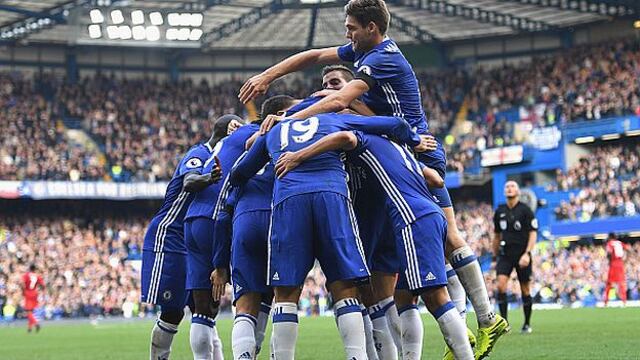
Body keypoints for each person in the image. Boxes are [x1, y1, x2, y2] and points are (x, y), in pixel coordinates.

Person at [240, 1, 507, 356]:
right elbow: (315, 55)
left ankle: (484, 318)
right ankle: (450, 331)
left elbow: (341, 106)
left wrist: (292, 117)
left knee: (445, 237)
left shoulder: (381, 59)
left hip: (414, 152)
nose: (346, 34)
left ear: (371, 28)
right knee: (389, 286)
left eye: (352, 27)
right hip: (386, 164)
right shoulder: (361, 64)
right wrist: (268, 76)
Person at [230, 112, 427, 360]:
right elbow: (397, 123)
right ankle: (356, 357)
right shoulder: (333, 118)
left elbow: (239, 173)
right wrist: (414, 139)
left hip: (289, 200)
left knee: (286, 293)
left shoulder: (274, 130)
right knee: (345, 287)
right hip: (332, 196)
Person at [274, 130, 474, 360]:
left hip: (409, 217)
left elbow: (346, 135)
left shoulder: (368, 144)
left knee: (433, 297)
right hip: (413, 217)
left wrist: (298, 153)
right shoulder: (398, 150)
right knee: (401, 298)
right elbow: (437, 180)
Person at [210, 95, 298, 360]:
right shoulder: (290, 143)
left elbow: (223, 211)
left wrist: (219, 263)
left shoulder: (239, 151)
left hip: (245, 220)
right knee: (284, 299)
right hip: (280, 218)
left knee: (246, 307)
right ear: (281, 114)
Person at [141, 115, 232, 360]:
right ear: (229, 132)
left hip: (194, 237)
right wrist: (208, 178)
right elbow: (190, 181)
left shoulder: (225, 161)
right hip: (171, 234)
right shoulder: (201, 154)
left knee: (204, 310)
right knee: (173, 311)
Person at [184, 114, 256, 360]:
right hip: (215, 219)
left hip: (193, 221)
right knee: (249, 296)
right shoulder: (242, 137)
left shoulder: (214, 150)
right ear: (233, 126)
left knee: (202, 310)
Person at [493, 180, 538, 334]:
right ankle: (504, 324)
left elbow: (533, 233)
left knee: (525, 289)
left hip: (522, 255)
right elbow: (496, 235)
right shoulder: (499, 211)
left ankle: (527, 323)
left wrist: (527, 253)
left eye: (512, 186)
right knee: (500, 286)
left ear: (518, 191)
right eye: (507, 186)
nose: (509, 188)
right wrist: (494, 255)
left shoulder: (526, 210)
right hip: (505, 254)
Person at [604, 233, 629, 306]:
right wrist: (625, 259)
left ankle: (606, 302)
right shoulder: (620, 243)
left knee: (609, 283)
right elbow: (628, 249)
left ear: (610, 237)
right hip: (620, 264)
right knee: (621, 283)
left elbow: (609, 252)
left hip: (613, 264)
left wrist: (609, 261)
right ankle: (624, 302)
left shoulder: (610, 243)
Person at [22, 264, 44, 333]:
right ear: (35, 269)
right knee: (31, 311)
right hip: (35, 293)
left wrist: (23, 291)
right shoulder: (37, 276)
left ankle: (36, 323)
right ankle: (29, 328)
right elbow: (43, 285)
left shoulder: (26, 275)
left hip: (28, 292)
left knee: (28, 311)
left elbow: (22, 283)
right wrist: (39, 290)